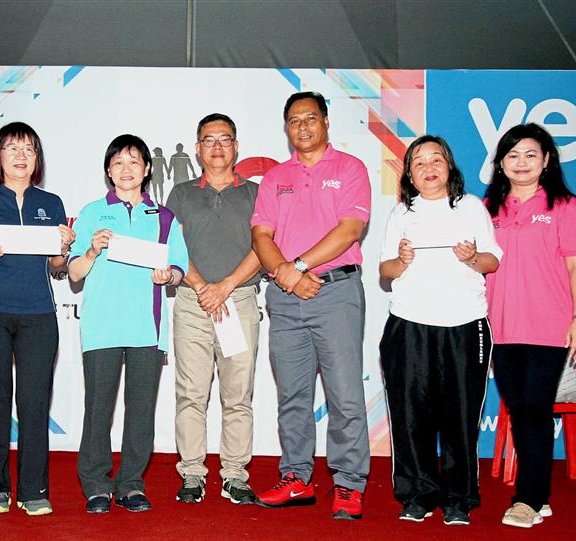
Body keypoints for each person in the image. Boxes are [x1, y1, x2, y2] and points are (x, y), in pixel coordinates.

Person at [251, 91, 371, 520]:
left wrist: (297, 267)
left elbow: (350, 229)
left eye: (310, 118)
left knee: (345, 395)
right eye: (294, 121)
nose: (302, 127)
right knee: (293, 395)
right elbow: (261, 236)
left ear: (326, 121)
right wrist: (286, 274)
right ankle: (296, 477)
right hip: (286, 299)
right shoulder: (275, 177)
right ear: (286, 128)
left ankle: (349, 482)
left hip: (334, 292)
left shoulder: (350, 168)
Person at [378, 135, 501, 525]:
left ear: (449, 166)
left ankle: (459, 498)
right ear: (409, 174)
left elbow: (492, 261)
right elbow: (385, 270)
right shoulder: (401, 213)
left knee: (460, 416)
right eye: (419, 163)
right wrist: (401, 261)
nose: (428, 168)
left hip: (463, 325)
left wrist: (472, 257)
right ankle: (417, 494)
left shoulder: (471, 208)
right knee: (410, 416)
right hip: (408, 325)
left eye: (436, 160)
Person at [69, 134, 188, 514]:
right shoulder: (91, 213)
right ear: (108, 170)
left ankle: (131, 483)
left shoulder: (164, 217)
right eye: (118, 162)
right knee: (98, 409)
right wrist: (92, 250)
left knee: (140, 411)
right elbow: (74, 272)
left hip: (146, 328)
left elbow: (179, 269)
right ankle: (96, 484)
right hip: (102, 325)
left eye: (134, 161)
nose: (126, 169)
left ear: (147, 169)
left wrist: (167, 276)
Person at [0, 122, 74, 516]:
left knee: (34, 403)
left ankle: (33, 489)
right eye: (12, 148)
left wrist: (64, 247)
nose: (21, 155)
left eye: (29, 149)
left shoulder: (52, 203)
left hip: (38, 314)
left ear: (37, 158)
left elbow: (57, 265)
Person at [483, 123, 576, 529]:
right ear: (501, 163)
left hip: (549, 327)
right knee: (519, 409)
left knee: (534, 410)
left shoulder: (565, 206)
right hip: (501, 327)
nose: (522, 162)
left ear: (546, 160)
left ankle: (528, 498)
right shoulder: (488, 207)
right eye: (513, 155)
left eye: (531, 154)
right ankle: (538, 495)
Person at [165, 113, 262, 505]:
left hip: (238, 300)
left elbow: (265, 247)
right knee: (191, 393)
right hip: (194, 302)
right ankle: (192, 473)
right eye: (209, 139)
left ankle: (234, 475)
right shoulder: (181, 194)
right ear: (197, 148)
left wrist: (225, 286)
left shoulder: (256, 193)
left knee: (237, 395)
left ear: (236, 146)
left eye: (225, 139)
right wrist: (203, 286)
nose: (217, 146)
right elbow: (172, 247)